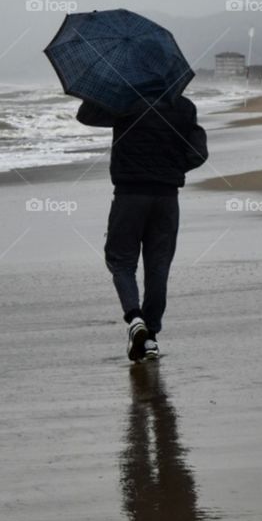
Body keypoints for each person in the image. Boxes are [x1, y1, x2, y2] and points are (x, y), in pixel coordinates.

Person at [77, 93, 208, 362]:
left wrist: (98, 92)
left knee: (121, 261)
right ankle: (151, 338)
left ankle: (135, 318)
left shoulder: (124, 101)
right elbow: (198, 153)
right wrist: (172, 167)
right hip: (167, 197)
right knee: (158, 267)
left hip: (129, 194)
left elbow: (86, 116)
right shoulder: (184, 107)